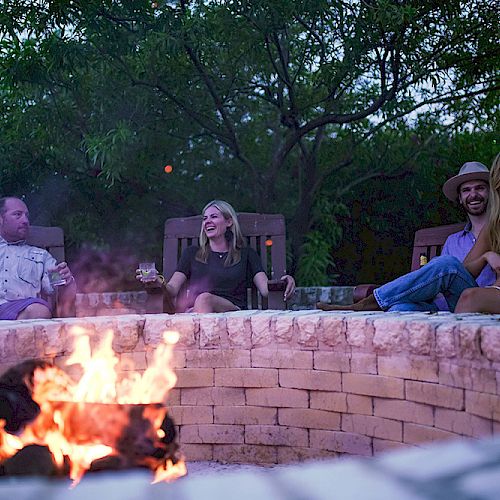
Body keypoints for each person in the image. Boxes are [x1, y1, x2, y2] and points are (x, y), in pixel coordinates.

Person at [317, 153, 500, 314]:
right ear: (460, 198)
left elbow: (452, 269)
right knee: (399, 309)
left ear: (491, 193)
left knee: (447, 263)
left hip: (481, 300)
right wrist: (484, 257)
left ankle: (368, 302)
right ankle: (375, 306)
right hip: (443, 305)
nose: (473, 194)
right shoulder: (453, 241)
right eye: (467, 190)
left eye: (480, 188)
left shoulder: (494, 227)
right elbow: (457, 273)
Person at [138, 200, 295, 313]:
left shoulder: (246, 254)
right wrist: (159, 281)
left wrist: (286, 280)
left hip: (233, 315)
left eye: (214, 217)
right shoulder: (192, 254)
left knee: (204, 299)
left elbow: (266, 289)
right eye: (205, 218)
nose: (207, 222)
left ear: (228, 222)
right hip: (197, 314)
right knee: (202, 302)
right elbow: (172, 289)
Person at [0, 197, 76, 320]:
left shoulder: (41, 257)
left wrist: (64, 279)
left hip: (22, 313)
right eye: (17, 215)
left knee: (39, 311)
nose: (25, 220)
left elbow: (55, 282)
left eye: (26, 216)